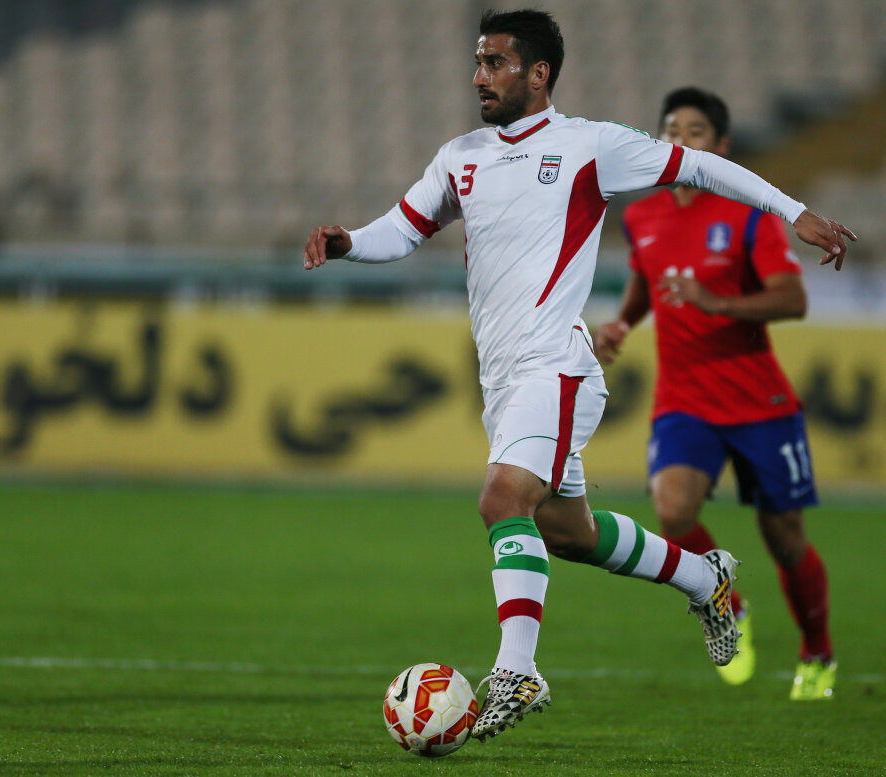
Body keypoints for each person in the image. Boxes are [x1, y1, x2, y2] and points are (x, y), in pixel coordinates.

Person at [303, 11, 854, 739]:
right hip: (503, 380)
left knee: (503, 500)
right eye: (478, 62)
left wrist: (794, 211)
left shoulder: (589, 146)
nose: (479, 76)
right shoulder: (460, 156)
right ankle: (705, 577)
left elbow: (699, 166)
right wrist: (349, 241)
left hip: (556, 366)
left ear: (538, 74)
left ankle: (518, 670)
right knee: (568, 532)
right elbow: (403, 229)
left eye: (495, 63)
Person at [595, 87, 839, 700]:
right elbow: (647, 281)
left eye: (695, 132)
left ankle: (817, 652)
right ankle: (729, 602)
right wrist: (623, 322)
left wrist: (716, 302)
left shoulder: (749, 216)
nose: (680, 141)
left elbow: (793, 299)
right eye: (670, 130)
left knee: (784, 539)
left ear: (721, 146)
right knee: (674, 513)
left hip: (759, 403)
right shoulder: (642, 217)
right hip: (684, 400)